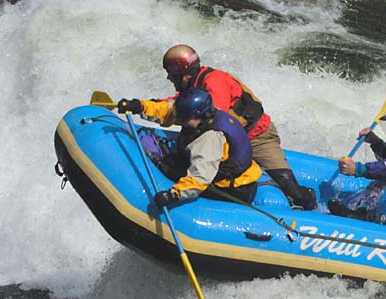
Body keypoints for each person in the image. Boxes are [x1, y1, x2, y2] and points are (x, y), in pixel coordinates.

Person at [117, 44, 316, 210]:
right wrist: (141, 106)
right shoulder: (194, 89)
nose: (169, 78)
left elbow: (209, 123)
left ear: (181, 72)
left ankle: (307, 203)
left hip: (258, 137)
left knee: (289, 186)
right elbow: (174, 106)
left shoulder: (214, 84)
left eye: (170, 73)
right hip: (231, 143)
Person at [118, 87, 261, 208]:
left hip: (232, 188)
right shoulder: (204, 113)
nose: (181, 121)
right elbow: (168, 111)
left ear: (200, 115)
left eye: (185, 119)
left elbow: (200, 178)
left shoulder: (209, 139)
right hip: (231, 174)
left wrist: (173, 194)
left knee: (168, 168)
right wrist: (140, 106)